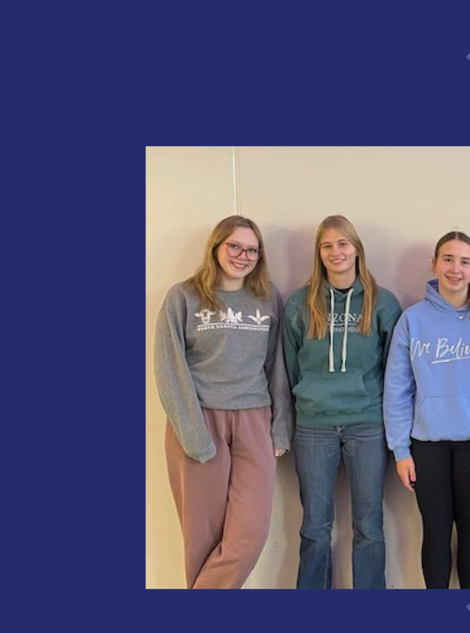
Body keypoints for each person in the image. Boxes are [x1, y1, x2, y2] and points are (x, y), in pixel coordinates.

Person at [155, 215, 293, 589]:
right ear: (216, 246)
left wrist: (280, 427)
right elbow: (169, 368)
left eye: (252, 249)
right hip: (199, 421)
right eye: (235, 246)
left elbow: (277, 365)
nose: (243, 256)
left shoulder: (267, 298)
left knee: (249, 536)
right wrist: (193, 434)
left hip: (254, 420)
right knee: (202, 540)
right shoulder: (183, 297)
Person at [384, 231, 470, 589]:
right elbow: (397, 388)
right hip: (426, 446)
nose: (455, 269)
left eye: (464, 261)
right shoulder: (413, 320)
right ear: (434, 264)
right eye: (447, 259)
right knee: (435, 532)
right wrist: (400, 450)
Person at [283, 216, 402, 589]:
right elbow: (288, 367)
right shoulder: (300, 303)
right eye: (327, 246)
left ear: (356, 249)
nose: (336, 252)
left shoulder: (382, 302)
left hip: (367, 425)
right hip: (313, 427)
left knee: (368, 525)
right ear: (319, 253)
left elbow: (395, 371)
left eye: (343, 244)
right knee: (314, 526)